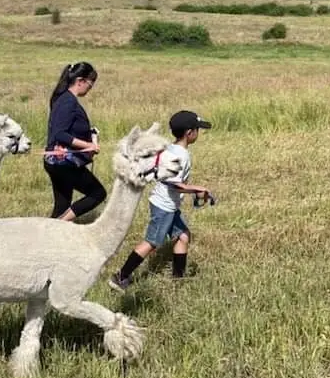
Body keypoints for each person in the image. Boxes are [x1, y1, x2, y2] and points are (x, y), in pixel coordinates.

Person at [108, 110, 213, 291]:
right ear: (190, 133)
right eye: (197, 129)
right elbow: (175, 184)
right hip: (164, 206)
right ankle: (120, 277)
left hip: (168, 204)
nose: (198, 133)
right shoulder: (181, 155)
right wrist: (199, 189)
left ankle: (178, 280)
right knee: (152, 242)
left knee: (183, 236)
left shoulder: (170, 148)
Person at [43, 62, 107, 221]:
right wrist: (89, 145)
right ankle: (60, 224)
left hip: (56, 163)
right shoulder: (68, 102)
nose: (89, 89)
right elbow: (60, 134)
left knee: (62, 206)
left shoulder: (63, 98)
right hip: (64, 164)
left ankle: (51, 232)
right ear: (80, 81)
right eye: (90, 85)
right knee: (97, 193)